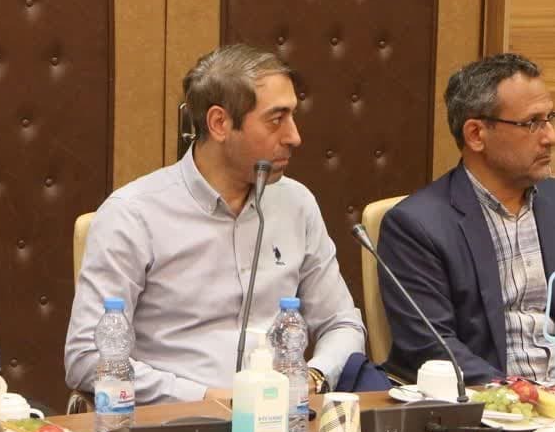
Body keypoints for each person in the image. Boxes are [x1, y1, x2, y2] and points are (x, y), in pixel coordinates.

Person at [64, 44, 366, 403]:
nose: (294, 136)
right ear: (220, 123)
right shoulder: (133, 215)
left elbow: (342, 324)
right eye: (276, 119)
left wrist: (312, 378)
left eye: (292, 116)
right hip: (179, 421)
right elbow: (87, 358)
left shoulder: (296, 203)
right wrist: (209, 398)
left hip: (282, 417)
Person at [376, 53, 555, 385]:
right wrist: (523, 395)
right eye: (532, 123)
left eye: (550, 118)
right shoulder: (417, 226)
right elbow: (432, 347)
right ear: (476, 134)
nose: (551, 137)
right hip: (490, 401)